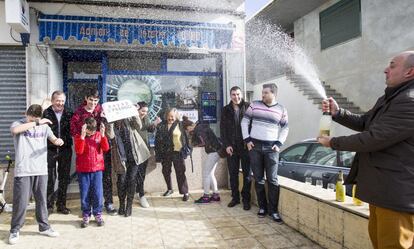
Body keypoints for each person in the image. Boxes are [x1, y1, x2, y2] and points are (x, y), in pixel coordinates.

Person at [317, 51, 414, 249]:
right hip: (382, 190)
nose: (386, 69)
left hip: (396, 195)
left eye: (393, 65)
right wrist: (338, 113)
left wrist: (333, 142)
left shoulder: (409, 101)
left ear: (409, 72)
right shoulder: (390, 97)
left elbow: (373, 138)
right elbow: (366, 123)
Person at [8, 104, 62, 245]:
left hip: (41, 169)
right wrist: (36, 122)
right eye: (30, 118)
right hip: (24, 170)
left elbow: (53, 139)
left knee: (42, 200)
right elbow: (15, 130)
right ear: (26, 114)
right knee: (21, 202)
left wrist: (58, 141)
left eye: (36, 119)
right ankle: (15, 230)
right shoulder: (18, 123)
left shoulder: (44, 126)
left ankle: (44, 227)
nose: (32, 121)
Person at [241, 83, 288, 222]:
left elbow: (285, 128)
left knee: (272, 180)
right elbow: (244, 122)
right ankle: (262, 207)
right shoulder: (254, 105)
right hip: (254, 146)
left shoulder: (281, 109)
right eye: (262, 92)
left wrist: (279, 143)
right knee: (259, 179)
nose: (263, 95)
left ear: (273, 93)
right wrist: (247, 140)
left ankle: (273, 211)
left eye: (266, 93)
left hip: (271, 148)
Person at [70, 87, 117, 215]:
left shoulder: (101, 110)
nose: (93, 103)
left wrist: (106, 119)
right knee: (87, 184)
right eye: (91, 100)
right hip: (85, 151)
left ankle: (108, 203)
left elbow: (109, 129)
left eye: (96, 100)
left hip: (100, 148)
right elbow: (73, 130)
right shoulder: (79, 113)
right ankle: (88, 208)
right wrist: (82, 137)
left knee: (106, 177)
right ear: (86, 98)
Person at [106, 112, 151, 216]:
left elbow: (139, 126)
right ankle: (122, 204)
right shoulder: (111, 121)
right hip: (120, 157)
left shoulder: (130, 118)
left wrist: (134, 113)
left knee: (131, 180)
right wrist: (111, 122)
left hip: (134, 155)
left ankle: (129, 205)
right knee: (121, 181)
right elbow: (110, 135)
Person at [220, 86, 252, 209]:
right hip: (231, 148)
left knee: (247, 175)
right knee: (233, 174)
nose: (236, 97)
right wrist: (227, 145)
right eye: (233, 94)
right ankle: (235, 198)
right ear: (230, 96)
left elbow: (253, 126)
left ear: (242, 94)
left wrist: (250, 142)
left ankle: (246, 200)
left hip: (245, 148)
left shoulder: (249, 107)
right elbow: (223, 130)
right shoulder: (225, 110)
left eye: (238, 94)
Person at [74, 117, 110, 228]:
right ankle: (86, 213)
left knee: (98, 193)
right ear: (84, 128)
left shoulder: (99, 135)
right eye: (89, 131)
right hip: (83, 169)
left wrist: (103, 135)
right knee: (85, 193)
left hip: (97, 169)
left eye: (93, 131)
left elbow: (106, 148)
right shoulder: (78, 137)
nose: (92, 133)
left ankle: (97, 213)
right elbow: (79, 151)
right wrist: (83, 137)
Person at [43, 91, 73, 215]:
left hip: (65, 149)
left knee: (64, 178)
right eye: (58, 100)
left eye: (62, 101)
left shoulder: (69, 112)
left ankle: (61, 205)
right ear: (52, 101)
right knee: (50, 178)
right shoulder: (46, 113)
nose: (60, 103)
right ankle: (49, 206)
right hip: (50, 149)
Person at [183, 116, 225, 204]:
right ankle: (215, 195)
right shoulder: (201, 126)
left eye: (188, 130)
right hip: (217, 150)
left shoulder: (199, 130)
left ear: (189, 127)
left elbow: (204, 142)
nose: (189, 132)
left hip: (213, 151)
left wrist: (194, 144)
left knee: (206, 173)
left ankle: (206, 197)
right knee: (210, 173)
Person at [155, 108, 190, 201]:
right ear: (166, 116)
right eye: (169, 116)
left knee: (180, 172)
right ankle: (169, 189)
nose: (171, 118)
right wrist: (158, 154)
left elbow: (187, 138)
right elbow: (157, 140)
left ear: (176, 116)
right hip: (165, 153)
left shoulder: (181, 124)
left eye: (173, 116)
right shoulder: (161, 125)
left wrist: (188, 149)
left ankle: (185, 192)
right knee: (166, 171)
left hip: (178, 152)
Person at [135, 102, 161, 208]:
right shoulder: (133, 118)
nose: (144, 113)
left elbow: (149, 129)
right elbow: (139, 127)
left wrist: (154, 125)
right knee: (134, 175)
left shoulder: (146, 117)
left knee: (141, 174)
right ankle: (139, 194)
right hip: (134, 150)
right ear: (137, 110)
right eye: (142, 111)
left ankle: (140, 193)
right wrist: (153, 123)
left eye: (146, 111)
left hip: (144, 148)